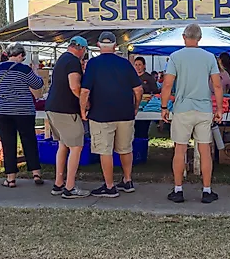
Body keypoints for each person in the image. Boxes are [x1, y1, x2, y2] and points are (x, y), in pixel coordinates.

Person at [161, 23, 223, 204]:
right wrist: (219, 109)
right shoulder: (209, 57)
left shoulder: (175, 57)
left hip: (182, 109)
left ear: (183, 37)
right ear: (200, 38)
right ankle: (206, 190)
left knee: (180, 149)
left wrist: (164, 107)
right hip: (204, 109)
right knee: (205, 151)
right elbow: (217, 85)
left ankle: (178, 189)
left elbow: (167, 84)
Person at [81, 32, 144, 198]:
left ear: (99, 45)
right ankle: (127, 180)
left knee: (105, 150)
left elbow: (85, 90)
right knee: (125, 148)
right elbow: (138, 89)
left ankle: (109, 187)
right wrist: (135, 107)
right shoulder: (125, 64)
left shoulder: (93, 64)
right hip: (125, 113)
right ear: (115, 46)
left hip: (101, 114)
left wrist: (82, 110)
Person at [0, 43, 44, 188]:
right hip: (24, 111)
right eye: (22, 57)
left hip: (2, 111)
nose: (22, 59)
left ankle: (10, 178)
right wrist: (35, 71)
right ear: (18, 55)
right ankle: (36, 174)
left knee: (8, 143)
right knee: (29, 140)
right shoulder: (24, 69)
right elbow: (37, 84)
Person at [46, 37, 90, 199]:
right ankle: (70, 187)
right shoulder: (73, 62)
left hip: (53, 107)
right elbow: (74, 86)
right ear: (82, 49)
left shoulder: (62, 59)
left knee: (63, 145)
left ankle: (58, 183)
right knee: (76, 147)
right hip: (66, 110)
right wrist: (85, 103)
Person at [133, 56, 159, 139]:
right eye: (136, 64)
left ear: (144, 66)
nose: (138, 67)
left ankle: (142, 142)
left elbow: (155, 91)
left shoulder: (149, 78)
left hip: (145, 105)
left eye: (140, 64)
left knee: (142, 128)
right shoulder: (131, 77)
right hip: (133, 104)